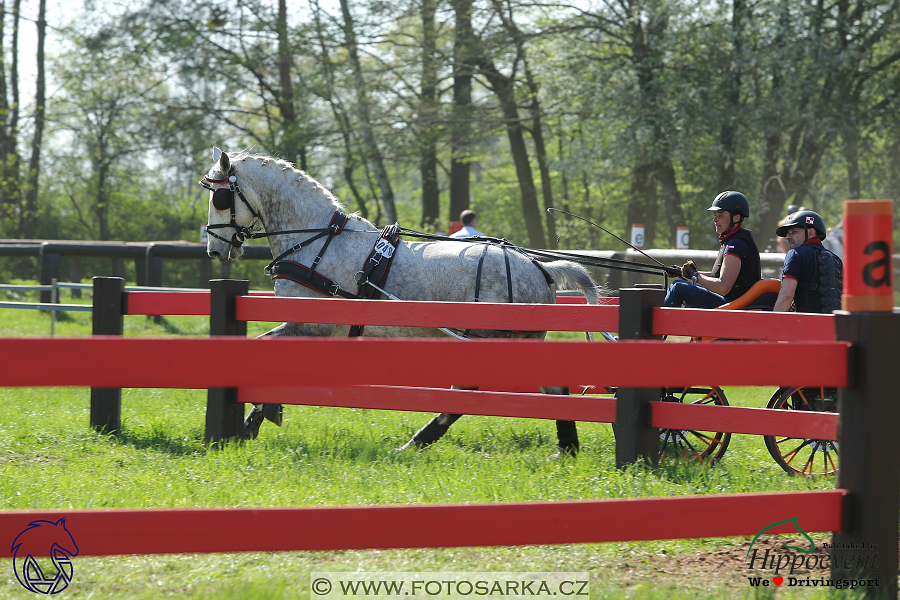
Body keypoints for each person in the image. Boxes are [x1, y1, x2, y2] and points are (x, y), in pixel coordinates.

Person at [664, 191, 761, 308]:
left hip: (734, 305)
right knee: (679, 284)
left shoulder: (735, 245)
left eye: (720, 215)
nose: (715, 219)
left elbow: (723, 287)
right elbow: (720, 276)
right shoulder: (734, 241)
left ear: (736, 218)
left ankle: (660, 326)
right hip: (732, 301)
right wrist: (684, 273)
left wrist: (695, 275)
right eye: (715, 215)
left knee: (678, 288)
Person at [773, 210, 843, 313]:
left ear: (811, 232)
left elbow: (787, 295)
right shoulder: (836, 259)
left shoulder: (795, 253)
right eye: (787, 233)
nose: (788, 237)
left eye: (794, 232)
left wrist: (774, 323)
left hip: (807, 324)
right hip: (836, 325)